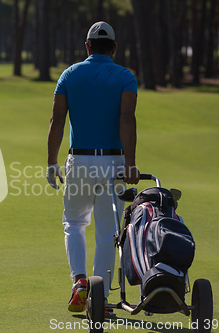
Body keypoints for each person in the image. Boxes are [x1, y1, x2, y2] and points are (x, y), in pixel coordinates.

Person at [46, 21, 140, 315]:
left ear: (87, 46)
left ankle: (80, 282)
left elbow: (57, 121)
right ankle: (99, 302)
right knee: (107, 233)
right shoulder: (125, 77)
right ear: (113, 48)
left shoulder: (69, 75)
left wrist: (51, 162)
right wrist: (130, 164)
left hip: (79, 160)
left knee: (74, 223)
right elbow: (127, 120)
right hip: (113, 162)